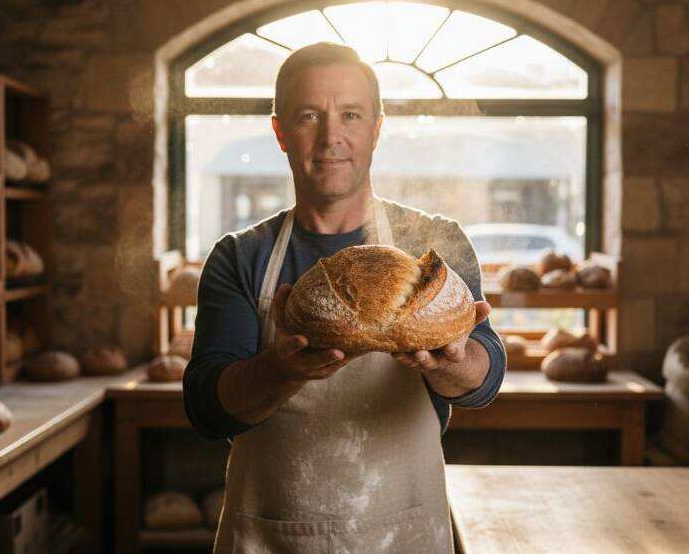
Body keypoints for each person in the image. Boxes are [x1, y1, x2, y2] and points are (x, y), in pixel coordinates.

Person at [183, 42, 506, 554]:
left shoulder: (433, 249)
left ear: (376, 128)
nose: (331, 137)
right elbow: (206, 408)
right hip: (273, 535)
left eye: (350, 115)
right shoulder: (241, 257)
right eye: (309, 115)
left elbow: (483, 381)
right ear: (280, 132)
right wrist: (282, 370)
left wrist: (452, 360)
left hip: (403, 531)